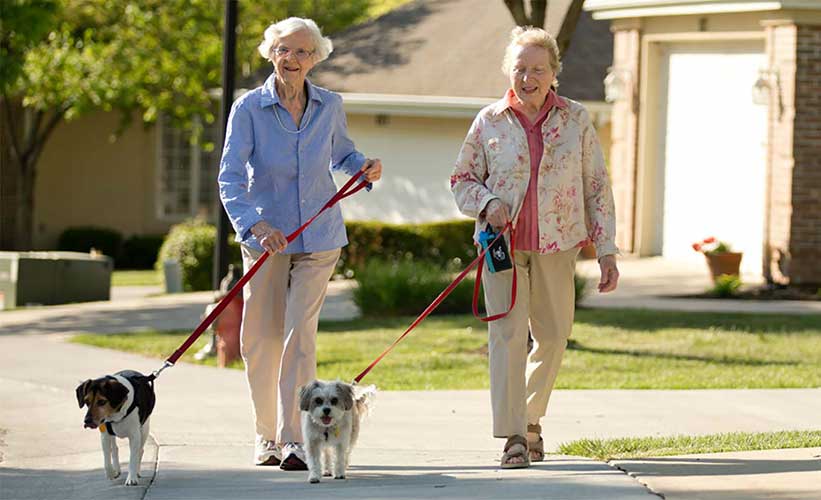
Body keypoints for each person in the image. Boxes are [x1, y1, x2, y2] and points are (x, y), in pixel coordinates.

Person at [450, 26, 619, 469]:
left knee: (553, 335)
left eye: (537, 69)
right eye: (520, 68)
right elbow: (462, 178)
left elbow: (596, 186)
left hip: (558, 243)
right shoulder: (489, 120)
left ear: (554, 74)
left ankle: (530, 420)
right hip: (501, 246)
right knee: (506, 336)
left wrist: (606, 248)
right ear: (509, 71)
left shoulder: (576, 119)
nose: (528, 78)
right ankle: (515, 437)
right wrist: (487, 202)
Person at [218, 17, 382, 471]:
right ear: (271, 53)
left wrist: (361, 167)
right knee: (261, 340)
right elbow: (230, 177)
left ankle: (295, 440)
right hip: (267, 239)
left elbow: (342, 153)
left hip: (319, 234)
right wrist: (255, 225)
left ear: (316, 58)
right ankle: (264, 436)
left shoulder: (329, 105)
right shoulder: (249, 108)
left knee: (299, 337)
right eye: (284, 50)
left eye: (303, 52)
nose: (293, 59)